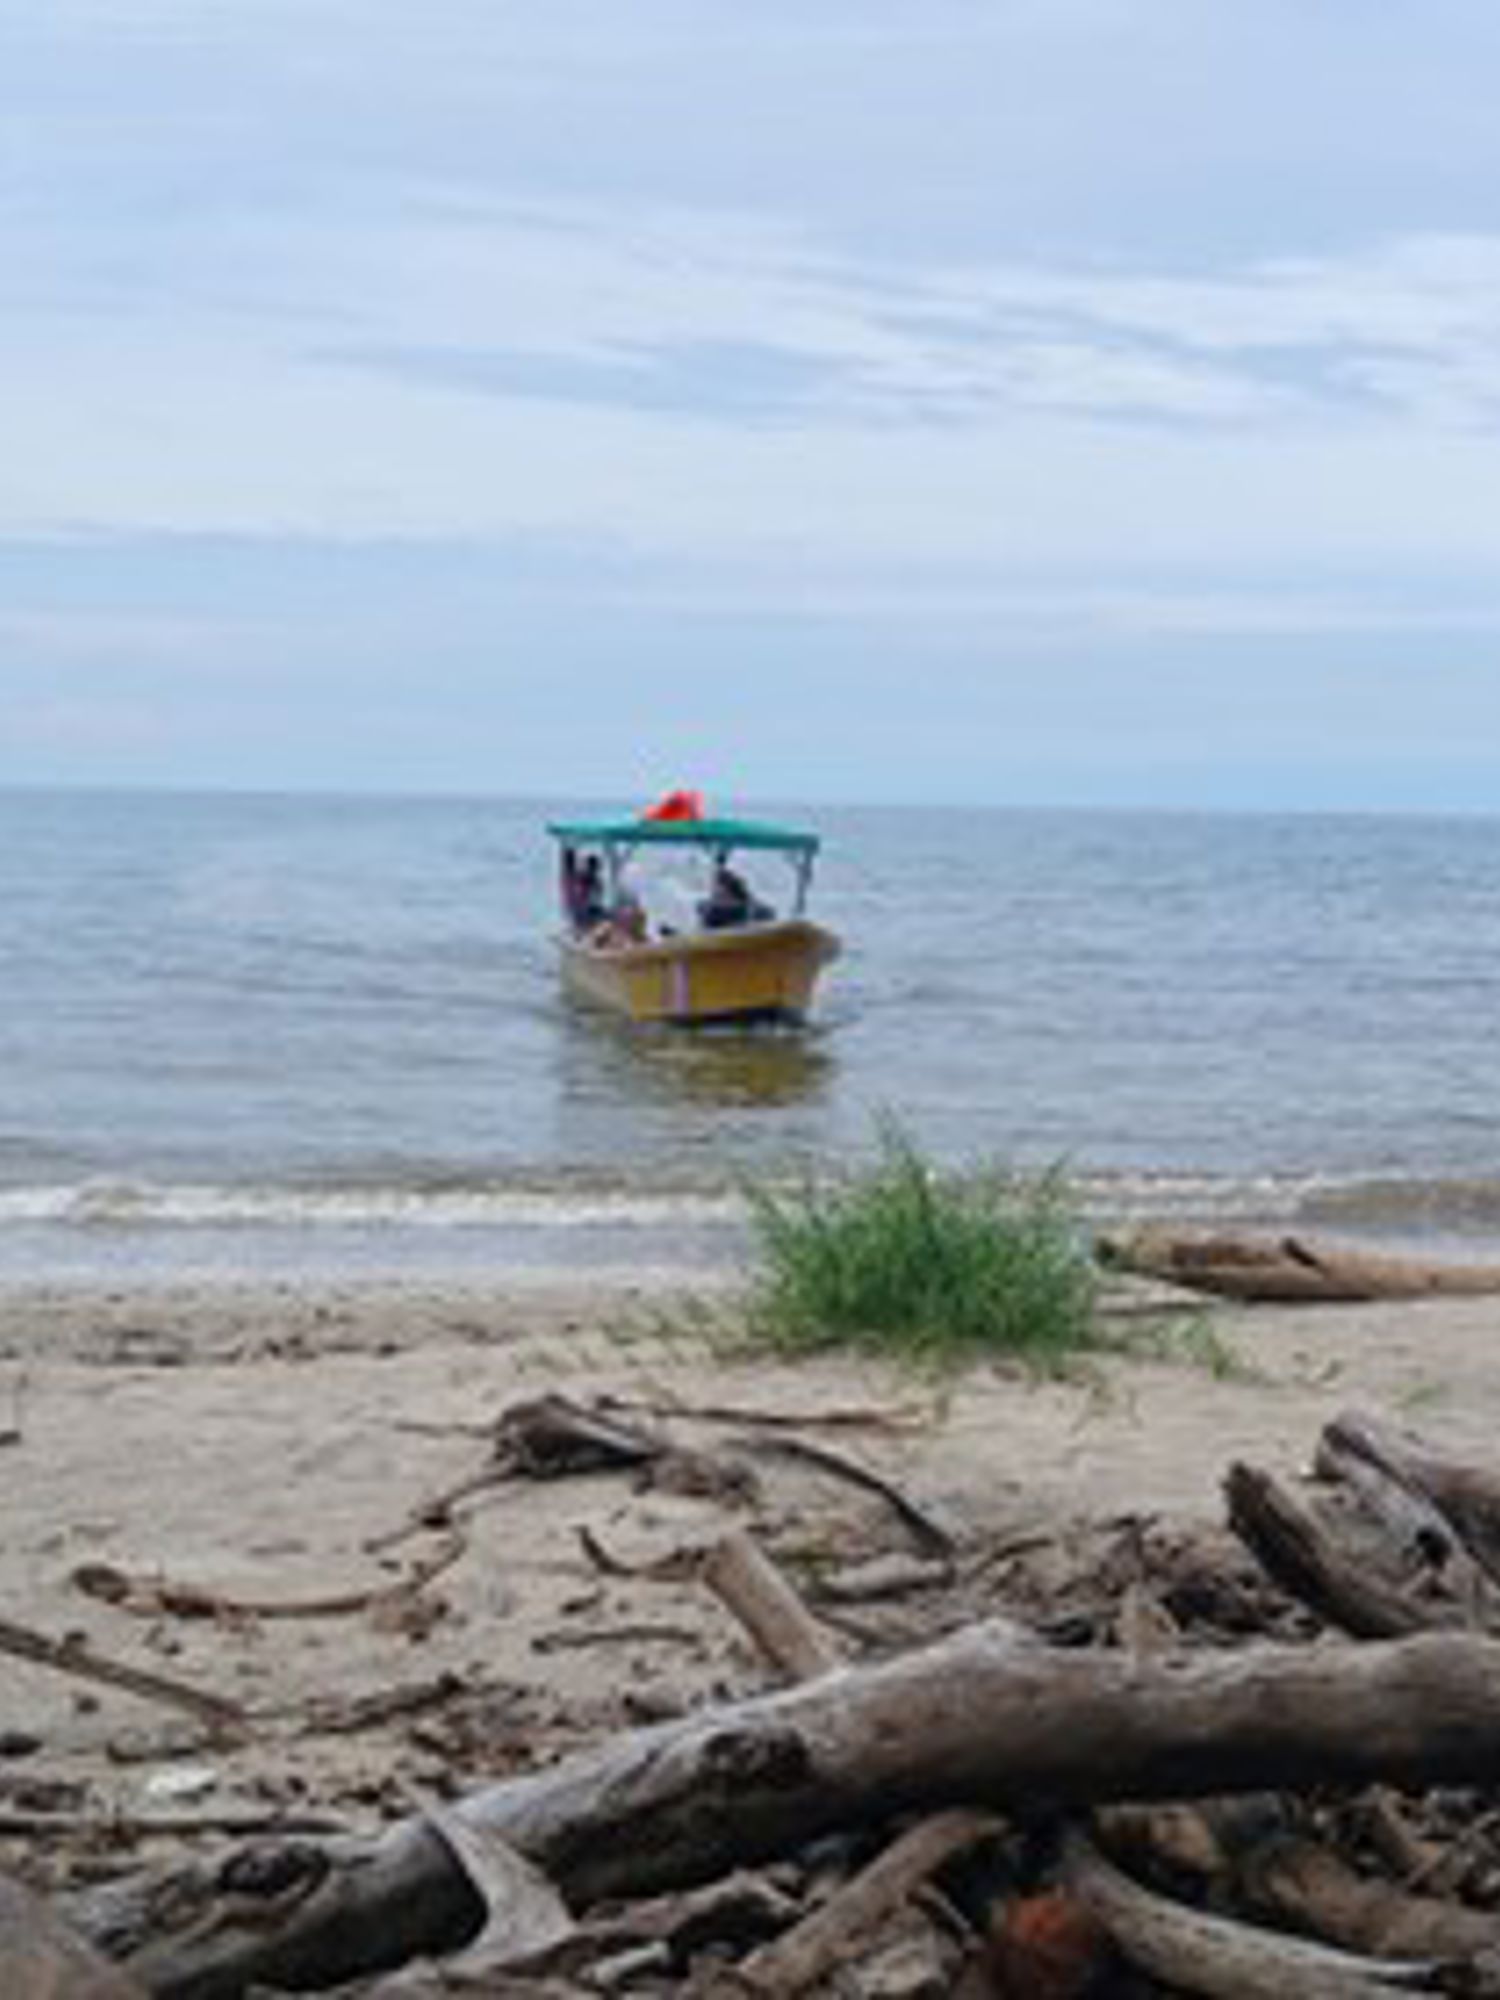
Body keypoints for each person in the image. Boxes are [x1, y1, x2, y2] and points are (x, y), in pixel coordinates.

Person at [700, 857, 770, 930]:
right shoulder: (711, 910)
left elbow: (768, 916)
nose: (720, 897)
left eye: (723, 894)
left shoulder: (752, 907)